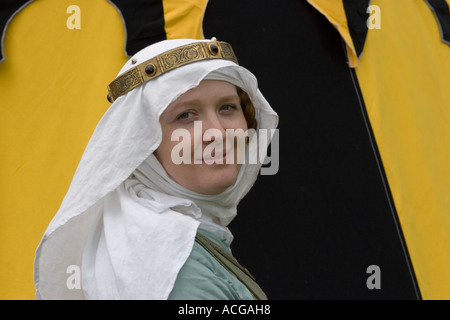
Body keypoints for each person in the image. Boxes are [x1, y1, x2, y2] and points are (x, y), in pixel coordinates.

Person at [33, 38, 279, 300]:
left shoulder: (150, 233)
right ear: (142, 145)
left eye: (227, 107)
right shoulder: (173, 265)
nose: (217, 133)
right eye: (186, 115)